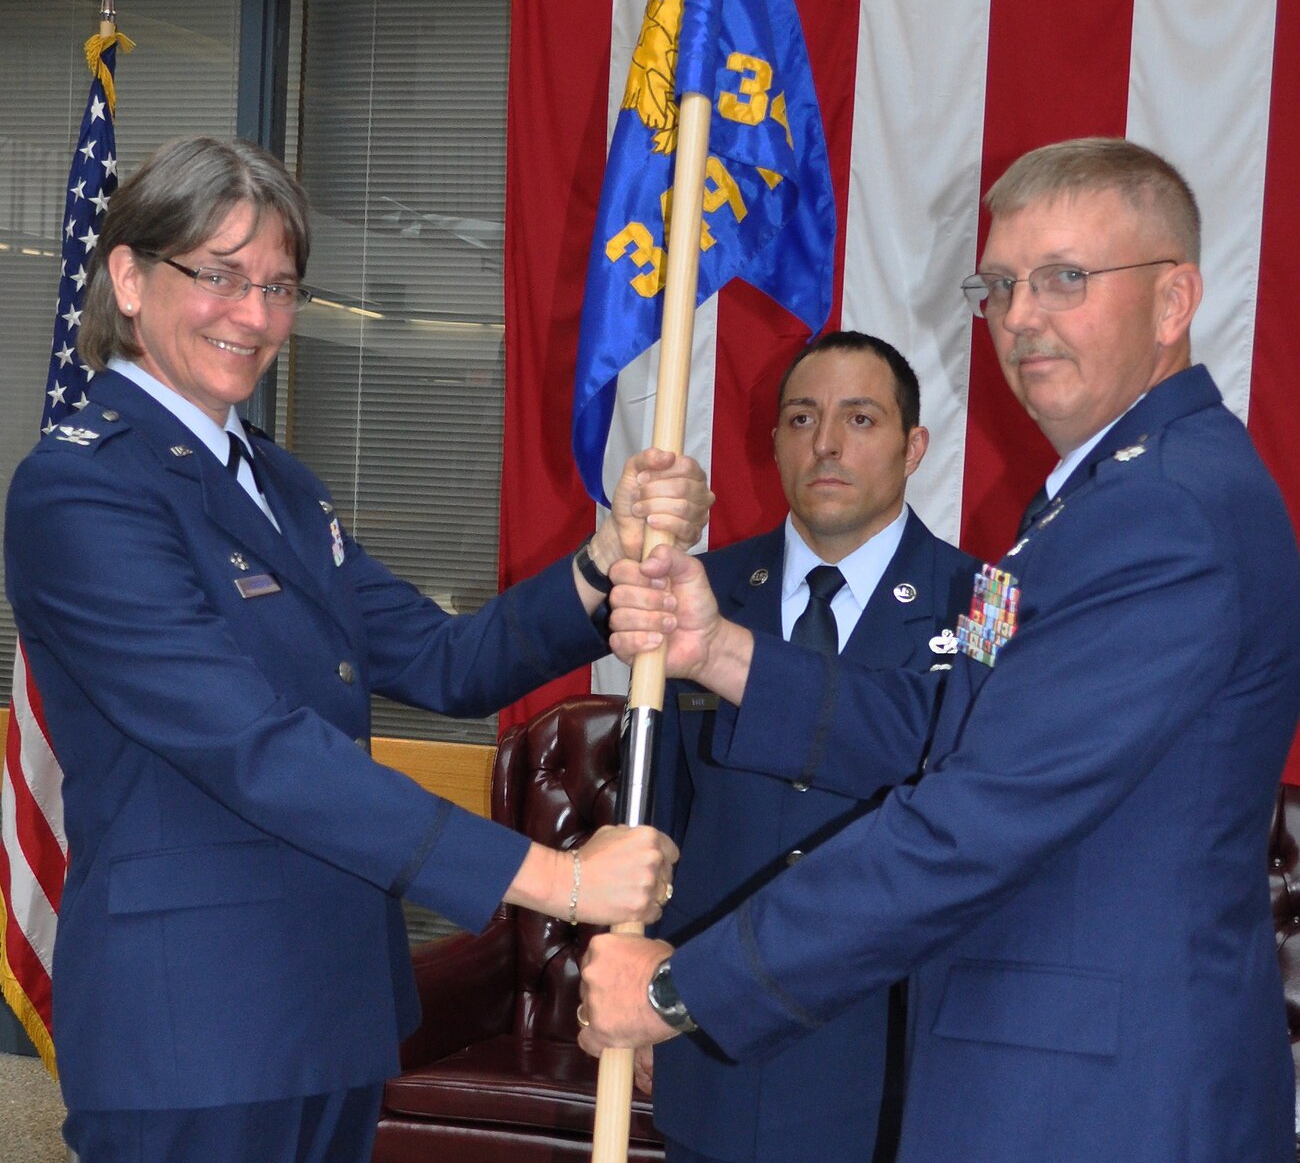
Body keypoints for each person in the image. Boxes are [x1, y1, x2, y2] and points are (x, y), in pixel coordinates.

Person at [581, 138, 1300, 1163]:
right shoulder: (1101, 497)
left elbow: (973, 815)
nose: (1019, 316)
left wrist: (678, 985)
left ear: (1173, 298)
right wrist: (723, 649)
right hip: (1047, 1076)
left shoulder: (1164, 510)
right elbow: (951, 732)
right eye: (1000, 283)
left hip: (1098, 1101)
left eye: (1064, 278)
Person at [3, 134, 707, 1163]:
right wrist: (555, 880)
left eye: (280, 285)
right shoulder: (82, 488)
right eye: (220, 275)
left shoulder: (280, 484)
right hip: (192, 1025)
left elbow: (440, 658)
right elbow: (259, 746)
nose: (254, 315)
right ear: (127, 274)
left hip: (324, 1004)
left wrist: (600, 561)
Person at [646, 330, 976, 1163]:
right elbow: (654, 812)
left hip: (882, 1057)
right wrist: (643, 977)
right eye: (802, 417)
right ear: (775, 444)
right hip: (712, 1044)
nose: (825, 443)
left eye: (860, 418)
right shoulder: (702, 593)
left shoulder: (980, 608)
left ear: (915, 447)